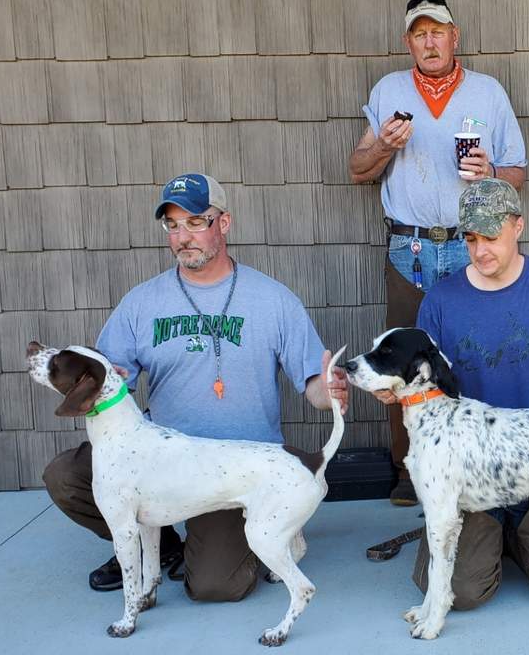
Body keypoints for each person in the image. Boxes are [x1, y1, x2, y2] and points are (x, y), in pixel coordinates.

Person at [42, 173, 349, 601]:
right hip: (160, 458)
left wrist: (329, 391)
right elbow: (106, 382)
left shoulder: (273, 300)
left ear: (223, 223)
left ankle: (259, 537)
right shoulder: (142, 302)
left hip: (234, 468)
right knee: (66, 475)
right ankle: (152, 543)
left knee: (213, 586)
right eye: (172, 225)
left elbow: (313, 384)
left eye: (195, 222)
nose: (183, 236)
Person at [372, 178, 529, 610]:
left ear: (518, 226)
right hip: (468, 470)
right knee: (458, 593)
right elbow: (422, 385)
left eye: (491, 236)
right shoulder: (441, 301)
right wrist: (396, 392)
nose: (480, 250)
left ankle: (522, 537)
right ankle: (496, 536)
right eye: (471, 238)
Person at [349, 0, 528, 507]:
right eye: (420, 33)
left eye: (438, 31)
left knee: (479, 354)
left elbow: (517, 172)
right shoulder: (389, 90)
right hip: (411, 248)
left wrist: (491, 173)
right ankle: (410, 472)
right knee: (398, 363)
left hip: (474, 247)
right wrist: (383, 144)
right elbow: (358, 169)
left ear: (455, 37)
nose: (430, 41)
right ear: (409, 41)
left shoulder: (487, 93)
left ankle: (485, 466)